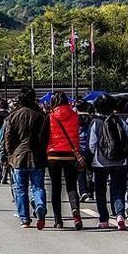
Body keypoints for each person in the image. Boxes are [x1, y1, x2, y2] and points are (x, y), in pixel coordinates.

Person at [89, 94, 128, 230]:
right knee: (117, 190)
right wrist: (124, 150)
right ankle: (120, 215)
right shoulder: (119, 120)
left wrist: (94, 156)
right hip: (119, 161)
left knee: (100, 191)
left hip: (99, 163)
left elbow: (91, 145)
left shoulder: (95, 122)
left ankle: (104, 220)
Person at [4, 88, 48, 230]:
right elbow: (46, 137)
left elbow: (8, 139)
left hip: (18, 157)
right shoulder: (41, 115)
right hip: (37, 156)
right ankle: (40, 205)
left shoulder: (13, 116)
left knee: (21, 189)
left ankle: (25, 219)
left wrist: (10, 154)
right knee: (38, 186)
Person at [44, 91, 83, 230]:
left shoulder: (50, 116)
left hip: (53, 155)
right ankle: (76, 213)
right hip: (70, 154)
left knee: (56, 187)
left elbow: (44, 136)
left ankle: (58, 220)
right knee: (72, 186)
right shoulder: (74, 115)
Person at [75, 100, 95, 202]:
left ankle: (83, 192)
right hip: (91, 148)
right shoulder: (92, 118)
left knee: (81, 172)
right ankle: (91, 192)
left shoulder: (74, 119)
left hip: (79, 148)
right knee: (91, 171)